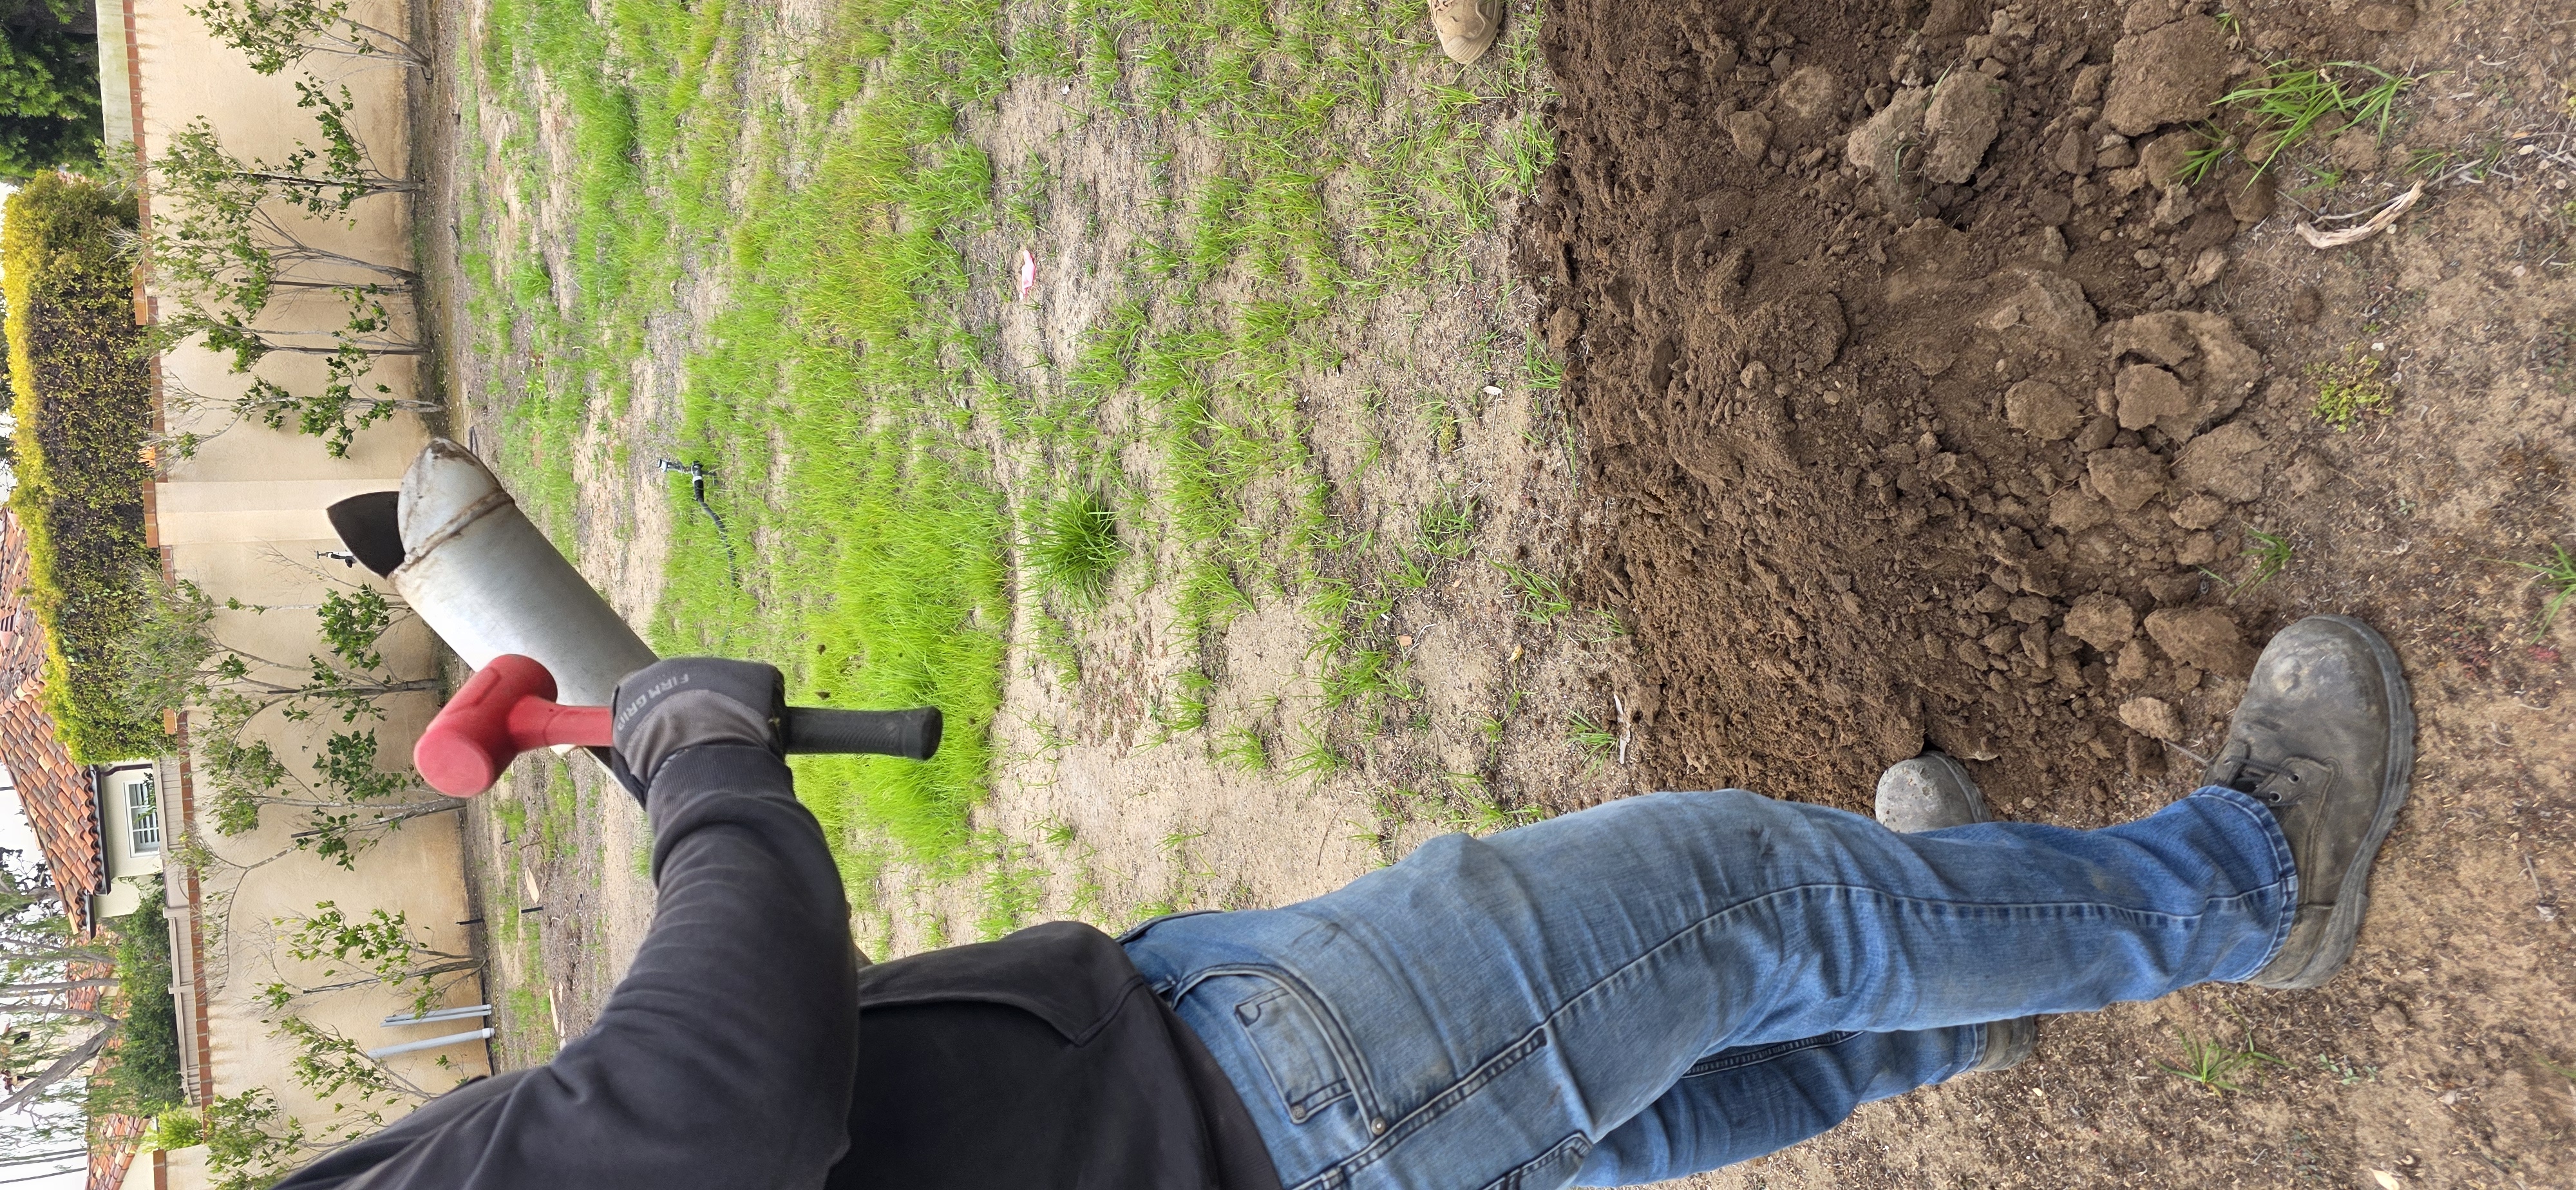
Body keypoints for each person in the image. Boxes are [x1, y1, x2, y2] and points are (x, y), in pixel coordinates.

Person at [273, 614, 2410, 1189]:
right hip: (1251, 1112)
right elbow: (712, 1111)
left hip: (1238, 1158)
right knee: (1741, 905)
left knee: (1705, 1065)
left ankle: (1985, 947)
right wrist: (705, 770)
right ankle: (2254, 882)